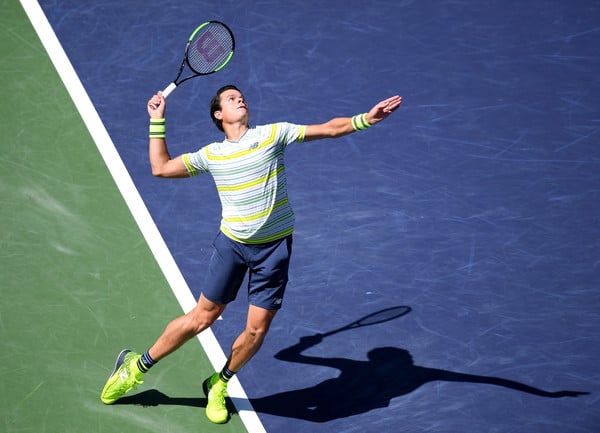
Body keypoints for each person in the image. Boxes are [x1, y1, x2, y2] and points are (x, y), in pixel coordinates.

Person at [100, 85, 402, 424]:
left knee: (257, 331)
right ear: (219, 115)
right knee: (202, 318)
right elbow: (161, 168)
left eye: (240, 95)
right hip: (233, 246)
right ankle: (135, 367)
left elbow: (330, 129)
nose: (239, 98)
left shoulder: (274, 134)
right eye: (230, 98)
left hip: (274, 251)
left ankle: (219, 383)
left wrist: (366, 119)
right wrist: (157, 120)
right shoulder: (211, 154)